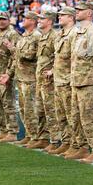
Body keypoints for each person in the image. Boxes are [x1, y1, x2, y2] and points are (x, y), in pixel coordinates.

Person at [67, 2, 93, 164]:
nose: (76, 12)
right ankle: (82, 147)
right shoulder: (78, 33)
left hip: (89, 81)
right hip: (76, 80)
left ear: (90, 13)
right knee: (76, 117)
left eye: (80, 10)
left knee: (89, 117)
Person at [7, 11, 43, 148]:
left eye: (26, 18)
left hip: (30, 77)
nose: (23, 20)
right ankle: (29, 134)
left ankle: (35, 136)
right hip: (21, 76)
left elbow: (31, 55)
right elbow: (18, 57)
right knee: (23, 109)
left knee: (30, 109)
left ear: (33, 21)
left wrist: (14, 49)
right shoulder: (24, 36)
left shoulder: (36, 36)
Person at [0, 11, 20, 143]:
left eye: (4, 19)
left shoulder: (12, 34)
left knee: (8, 104)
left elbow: (15, 56)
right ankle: (3, 130)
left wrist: (9, 73)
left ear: (8, 21)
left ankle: (12, 132)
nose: (1, 21)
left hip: (5, 75)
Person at [52, 7, 77, 156]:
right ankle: (66, 142)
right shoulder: (60, 34)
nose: (59, 17)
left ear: (71, 18)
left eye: (62, 15)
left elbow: (75, 58)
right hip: (58, 79)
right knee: (60, 115)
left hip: (68, 80)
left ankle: (75, 144)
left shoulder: (74, 33)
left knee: (71, 115)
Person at [35, 10, 60, 152]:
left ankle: (55, 140)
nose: (39, 20)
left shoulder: (54, 37)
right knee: (41, 110)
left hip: (49, 80)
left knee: (51, 110)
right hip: (41, 80)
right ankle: (43, 138)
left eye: (42, 19)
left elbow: (59, 56)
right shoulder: (43, 37)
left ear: (49, 21)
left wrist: (53, 71)